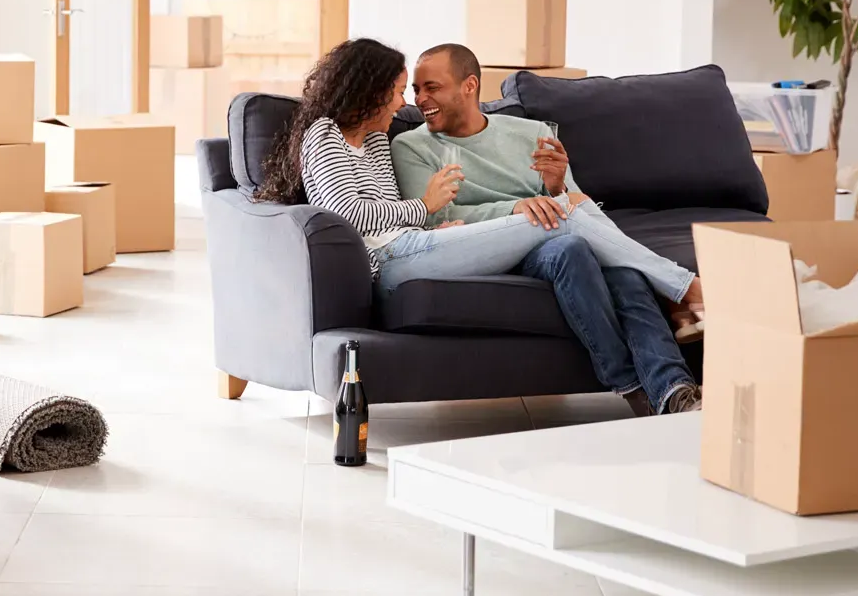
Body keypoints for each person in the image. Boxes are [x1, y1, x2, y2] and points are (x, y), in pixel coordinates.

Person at [256, 37, 702, 415]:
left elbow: (394, 211)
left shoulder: (374, 139)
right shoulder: (326, 136)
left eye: (413, 89)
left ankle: (660, 390)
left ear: (470, 87)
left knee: (584, 232)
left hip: (420, 244)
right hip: (389, 264)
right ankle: (685, 289)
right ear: (369, 91)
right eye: (398, 91)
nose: (405, 102)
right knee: (564, 216)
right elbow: (352, 215)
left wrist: (549, 188)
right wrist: (424, 208)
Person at [389, 42, 703, 415]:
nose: (419, 99)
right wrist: (516, 208)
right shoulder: (411, 145)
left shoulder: (533, 132)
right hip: (487, 246)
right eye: (416, 90)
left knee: (618, 269)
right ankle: (682, 296)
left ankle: (674, 393)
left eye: (432, 87)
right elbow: (438, 221)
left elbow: (573, 207)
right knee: (576, 247)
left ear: (469, 85)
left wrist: (556, 186)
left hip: (553, 237)